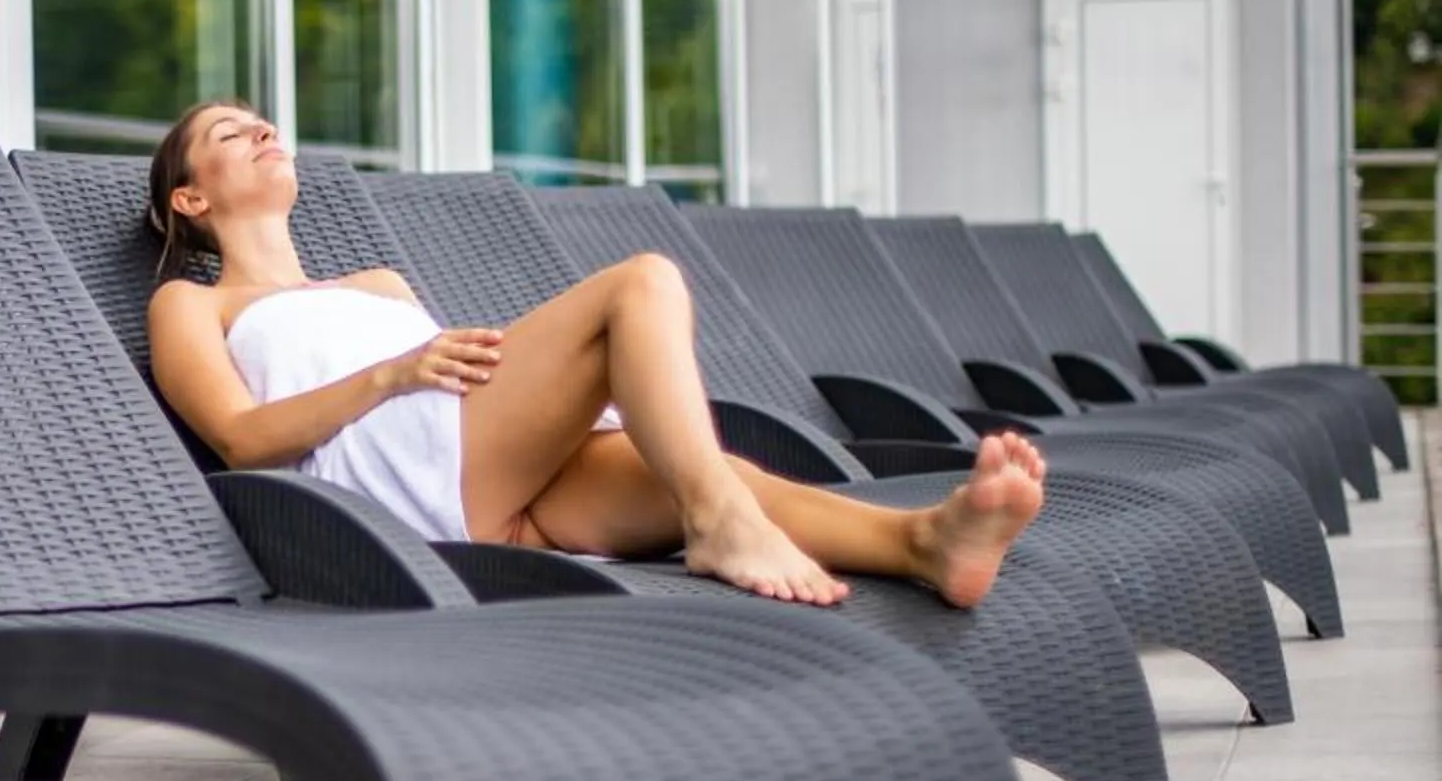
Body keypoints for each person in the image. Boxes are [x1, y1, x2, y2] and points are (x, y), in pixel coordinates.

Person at [142, 102, 1045, 607]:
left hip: (487, 476)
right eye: (231, 133)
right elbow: (240, 438)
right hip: (398, 483)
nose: (263, 132)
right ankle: (718, 523)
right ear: (189, 199)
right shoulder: (195, 301)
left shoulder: (377, 283)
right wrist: (392, 374)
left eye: (265, 124)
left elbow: (465, 381)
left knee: (703, 468)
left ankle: (925, 543)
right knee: (640, 283)